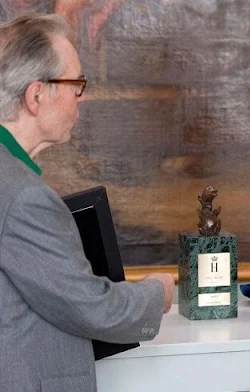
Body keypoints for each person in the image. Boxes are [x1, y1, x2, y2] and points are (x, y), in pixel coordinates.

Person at [0, 13, 175, 391]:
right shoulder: (24, 196)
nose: (83, 95)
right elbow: (92, 308)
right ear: (36, 96)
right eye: (75, 83)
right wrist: (156, 293)